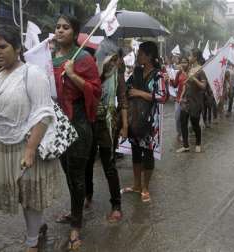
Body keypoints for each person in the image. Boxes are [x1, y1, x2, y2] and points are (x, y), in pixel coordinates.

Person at [0, 25, 60, 252]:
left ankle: (32, 242)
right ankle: (39, 227)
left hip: (27, 143)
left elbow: (44, 114)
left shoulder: (32, 74)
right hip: (4, 145)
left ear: (18, 48)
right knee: (22, 194)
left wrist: (30, 149)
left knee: (31, 195)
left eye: (3, 46)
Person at [52, 15, 101, 250]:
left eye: (65, 27)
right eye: (58, 27)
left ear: (75, 33)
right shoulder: (51, 58)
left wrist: (72, 75)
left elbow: (95, 90)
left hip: (80, 124)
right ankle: (74, 211)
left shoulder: (83, 58)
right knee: (68, 174)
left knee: (78, 175)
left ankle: (76, 225)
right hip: (59, 124)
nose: (60, 30)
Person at [84, 40, 128, 223]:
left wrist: (125, 126)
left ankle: (116, 205)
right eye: (111, 57)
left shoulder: (117, 75)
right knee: (87, 162)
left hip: (108, 124)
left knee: (108, 165)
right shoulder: (91, 70)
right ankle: (88, 194)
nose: (113, 61)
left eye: (115, 59)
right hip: (89, 122)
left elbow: (122, 99)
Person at [121, 41, 167, 203]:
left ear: (149, 56)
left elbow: (162, 97)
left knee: (148, 154)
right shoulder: (137, 72)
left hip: (149, 123)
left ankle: (146, 187)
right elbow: (126, 88)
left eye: (140, 53)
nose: (138, 56)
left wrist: (139, 92)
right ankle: (136, 185)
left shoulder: (158, 75)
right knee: (135, 153)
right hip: (135, 119)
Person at [176, 49, 207, 153]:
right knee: (183, 121)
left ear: (195, 57)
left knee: (195, 124)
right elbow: (186, 85)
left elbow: (203, 86)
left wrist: (195, 79)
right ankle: (186, 145)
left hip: (196, 101)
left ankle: (198, 143)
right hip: (186, 100)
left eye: (190, 56)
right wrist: (181, 96)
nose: (189, 58)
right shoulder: (190, 69)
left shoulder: (201, 70)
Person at [171, 56, 188, 141]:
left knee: (184, 119)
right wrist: (169, 79)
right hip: (178, 99)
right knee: (177, 118)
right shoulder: (178, 73)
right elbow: (175, 84)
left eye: (185, 62)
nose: (184, 64)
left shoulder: (190, 73)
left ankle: (184, 134)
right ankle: (179, 133)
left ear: (188, 63)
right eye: (182, 62)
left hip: (187, 100)